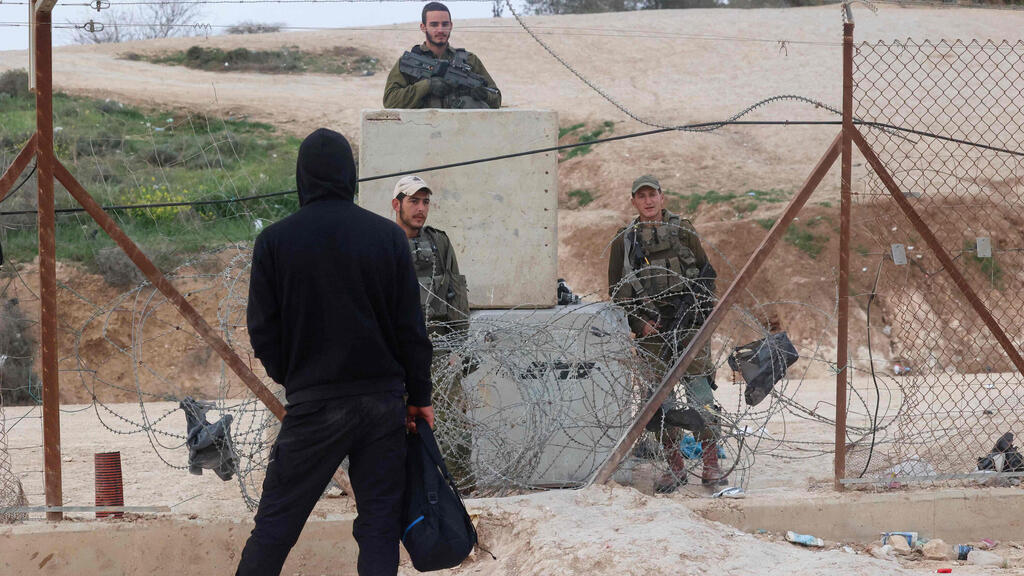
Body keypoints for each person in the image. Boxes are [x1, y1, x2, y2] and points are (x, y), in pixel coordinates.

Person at [236, 128, 434, 576]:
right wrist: (418, 396)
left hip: (315, 404)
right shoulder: (387, 238)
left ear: (302, 176)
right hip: (382, 402)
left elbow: (263, 330)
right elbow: (411, 329)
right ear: (351, 175)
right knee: (380, 525)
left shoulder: (276, 241)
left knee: (276, 525)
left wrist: (298, 377)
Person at [607, 174, 726, 493]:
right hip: (652, 333)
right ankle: (675, 468)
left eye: (652, 195)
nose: (647, 201)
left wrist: (697, 314)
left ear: (663, 197)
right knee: (661, 403)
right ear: (634, 201)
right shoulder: (626, 239)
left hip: (689, 327)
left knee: (702, 397)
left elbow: (704, 275)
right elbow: (617, 292)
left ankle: (712, 466)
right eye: (641, 196)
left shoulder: (684, 230)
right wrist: (640, 323)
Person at [391, 174, 473, 487]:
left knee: (453, 419)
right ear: (396, 204)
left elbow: (456, 295)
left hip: (438, 345)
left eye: (425, 201)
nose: (421, 208)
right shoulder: (385, 240)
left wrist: (458, 348)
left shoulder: (439, 241)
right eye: (413, 201)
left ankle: (461, 488)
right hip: (398, 348)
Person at [383, 2, 501, 110]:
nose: (440, 30)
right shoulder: (410, 61)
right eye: (434, 25)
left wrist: (484, 95)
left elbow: (497, 98)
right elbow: (390, 100)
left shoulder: (469, 60)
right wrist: (427, 86)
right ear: (423, 27)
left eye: (445, 24)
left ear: (451, 25)